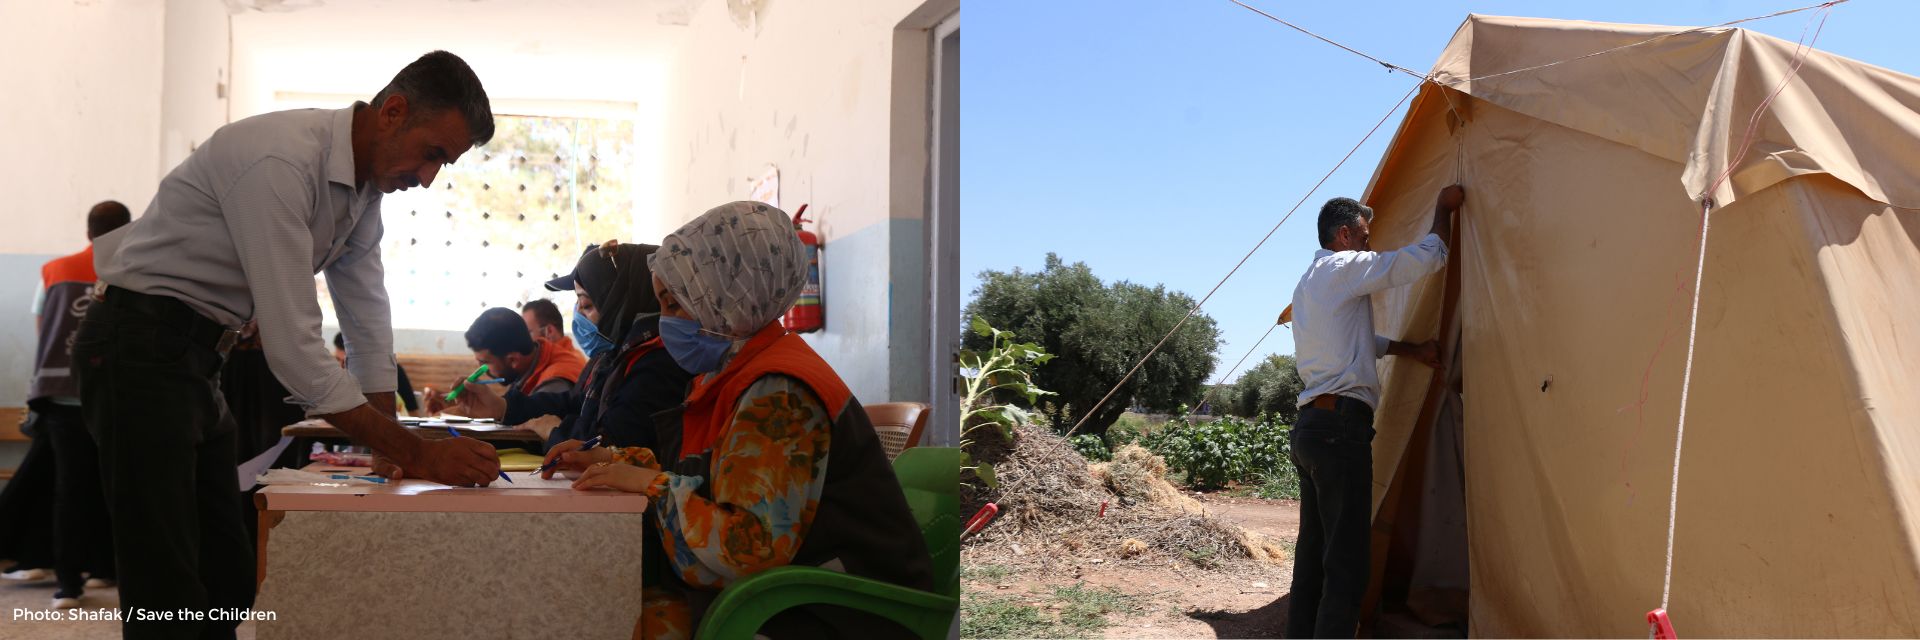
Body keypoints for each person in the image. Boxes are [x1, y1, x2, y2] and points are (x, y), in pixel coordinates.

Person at [79, 50, 503, 638]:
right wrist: (415, 452)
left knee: (227, 573)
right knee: (167, 579)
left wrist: (389, 440)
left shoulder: (361, 194)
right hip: (139, 346)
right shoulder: (280, 160)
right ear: (393, 112)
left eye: (445, 164)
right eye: (432, 153)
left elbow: (367, 318)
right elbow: (294, 346)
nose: (429, 177)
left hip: (197, 356)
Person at [543, 202, 934, 640]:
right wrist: (619, 460)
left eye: (675, 304)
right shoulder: (734, 374)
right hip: (796, 594)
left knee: (607, 616)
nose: (665, 322)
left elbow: (747, 549)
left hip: (843, 614)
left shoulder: (780, 393)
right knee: (603, 602)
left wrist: (648, 486)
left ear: (728, 296)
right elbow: (717, 480)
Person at [1285, 186, 1460, 638]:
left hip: (1310, 428)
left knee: (1315, 555)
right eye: (1364, 235)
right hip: (1339, 430)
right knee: (1345, 564)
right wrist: (1442, 210)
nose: (1370, 243)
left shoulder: (1309, 283)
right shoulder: (1345, 266)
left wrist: (1410, 349)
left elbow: (1360, 341)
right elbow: (1420, 259)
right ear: (1343, 234)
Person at [437, 243, 693, 452]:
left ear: (620, 306)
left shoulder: (656, 362)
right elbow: (574, 405)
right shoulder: (613, 358)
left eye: (587, 305)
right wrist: (502, 408)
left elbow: (618, 443)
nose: (577, 316)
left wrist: (556, 431)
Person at [3, 202, 129, 608]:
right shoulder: (134, 273)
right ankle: (104, 568)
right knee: (113, 486)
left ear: (88, 231)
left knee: (67, 489)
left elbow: (44, 333)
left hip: (61, 394)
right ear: (127, 231)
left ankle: (67, 584)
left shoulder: (54, 270)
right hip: (113, 397)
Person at [458, 307, 586, 397]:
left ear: (513, 360)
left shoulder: (554, 383)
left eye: (485, 362)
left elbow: (525, 431)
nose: (480, 369)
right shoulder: (526, 366)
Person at [335, 332, 424, 417]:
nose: (342, 366)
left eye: (347, 361)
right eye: (338, 359)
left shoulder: (392, 370)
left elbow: (413, 413)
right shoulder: (336, 376)